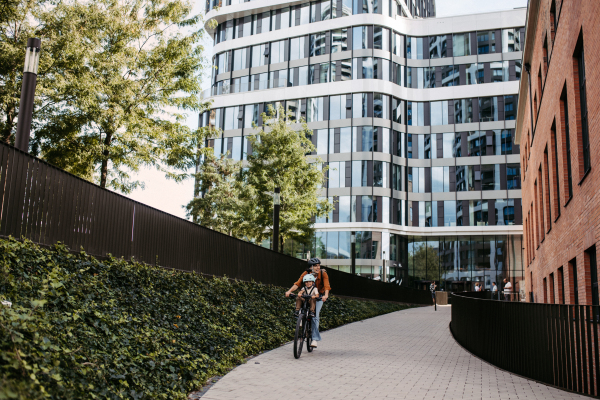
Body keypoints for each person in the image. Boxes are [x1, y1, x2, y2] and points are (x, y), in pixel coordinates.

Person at [285, 258, 331, 348]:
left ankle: (314, 339)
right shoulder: (306, 273)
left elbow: (327, 286)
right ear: (311, 267)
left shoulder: (323, 273)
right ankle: (302, 317)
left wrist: (325, 295)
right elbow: (298, 283)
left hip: (318, 296)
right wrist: (289, 291)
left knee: (315, 316)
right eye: (315, 266)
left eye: (318, 265)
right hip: (307, 294)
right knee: (299, 300)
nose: (318, 267)